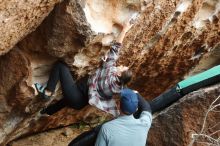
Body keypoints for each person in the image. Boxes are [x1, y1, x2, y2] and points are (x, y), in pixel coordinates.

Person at [35, 20, 134, 117]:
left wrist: (124, 30)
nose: (120, 66)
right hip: (81, 103)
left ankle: (48, 92)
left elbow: (115, 49)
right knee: (64, 101)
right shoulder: (118, 87)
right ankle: (47, 112)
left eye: (122, 68)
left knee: (60, 66)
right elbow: (108, 77)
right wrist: (104, 63)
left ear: (119, 74)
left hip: (76, 95)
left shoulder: (109, 73)